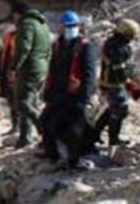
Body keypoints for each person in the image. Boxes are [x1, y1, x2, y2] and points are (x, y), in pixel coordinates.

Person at [40, 11, 98, 166]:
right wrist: (48, 92)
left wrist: (84, 98)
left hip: (75, 95)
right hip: (58, 93)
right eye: (67, 26)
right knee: (46, 122)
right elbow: (52, 70)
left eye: (73, 26)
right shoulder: (58, 45)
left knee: (73, 130)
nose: (69, 29)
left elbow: (89, 74)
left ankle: (74, 160)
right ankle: (52, 154)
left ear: (79, 27)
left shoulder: (85, 47)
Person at [11, 1, 52, 147]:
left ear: (18, 14)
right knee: (31, 101)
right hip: (41, 67)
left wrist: (14, 67)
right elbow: (49, 49)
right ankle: (25, 137)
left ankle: (43, 127)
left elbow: (23, 49)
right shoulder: (42, 24)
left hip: (29, 68)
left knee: (23, 102)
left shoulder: (27, 24)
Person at [94, 19, 140, 147]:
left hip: (113, 82)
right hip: (113, 83)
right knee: (120, 110)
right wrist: (130, 85)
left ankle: (95, 133)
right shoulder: (116, 48)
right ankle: (113, 139)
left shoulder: (115, 44)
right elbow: (119, 70)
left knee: (112, 109)